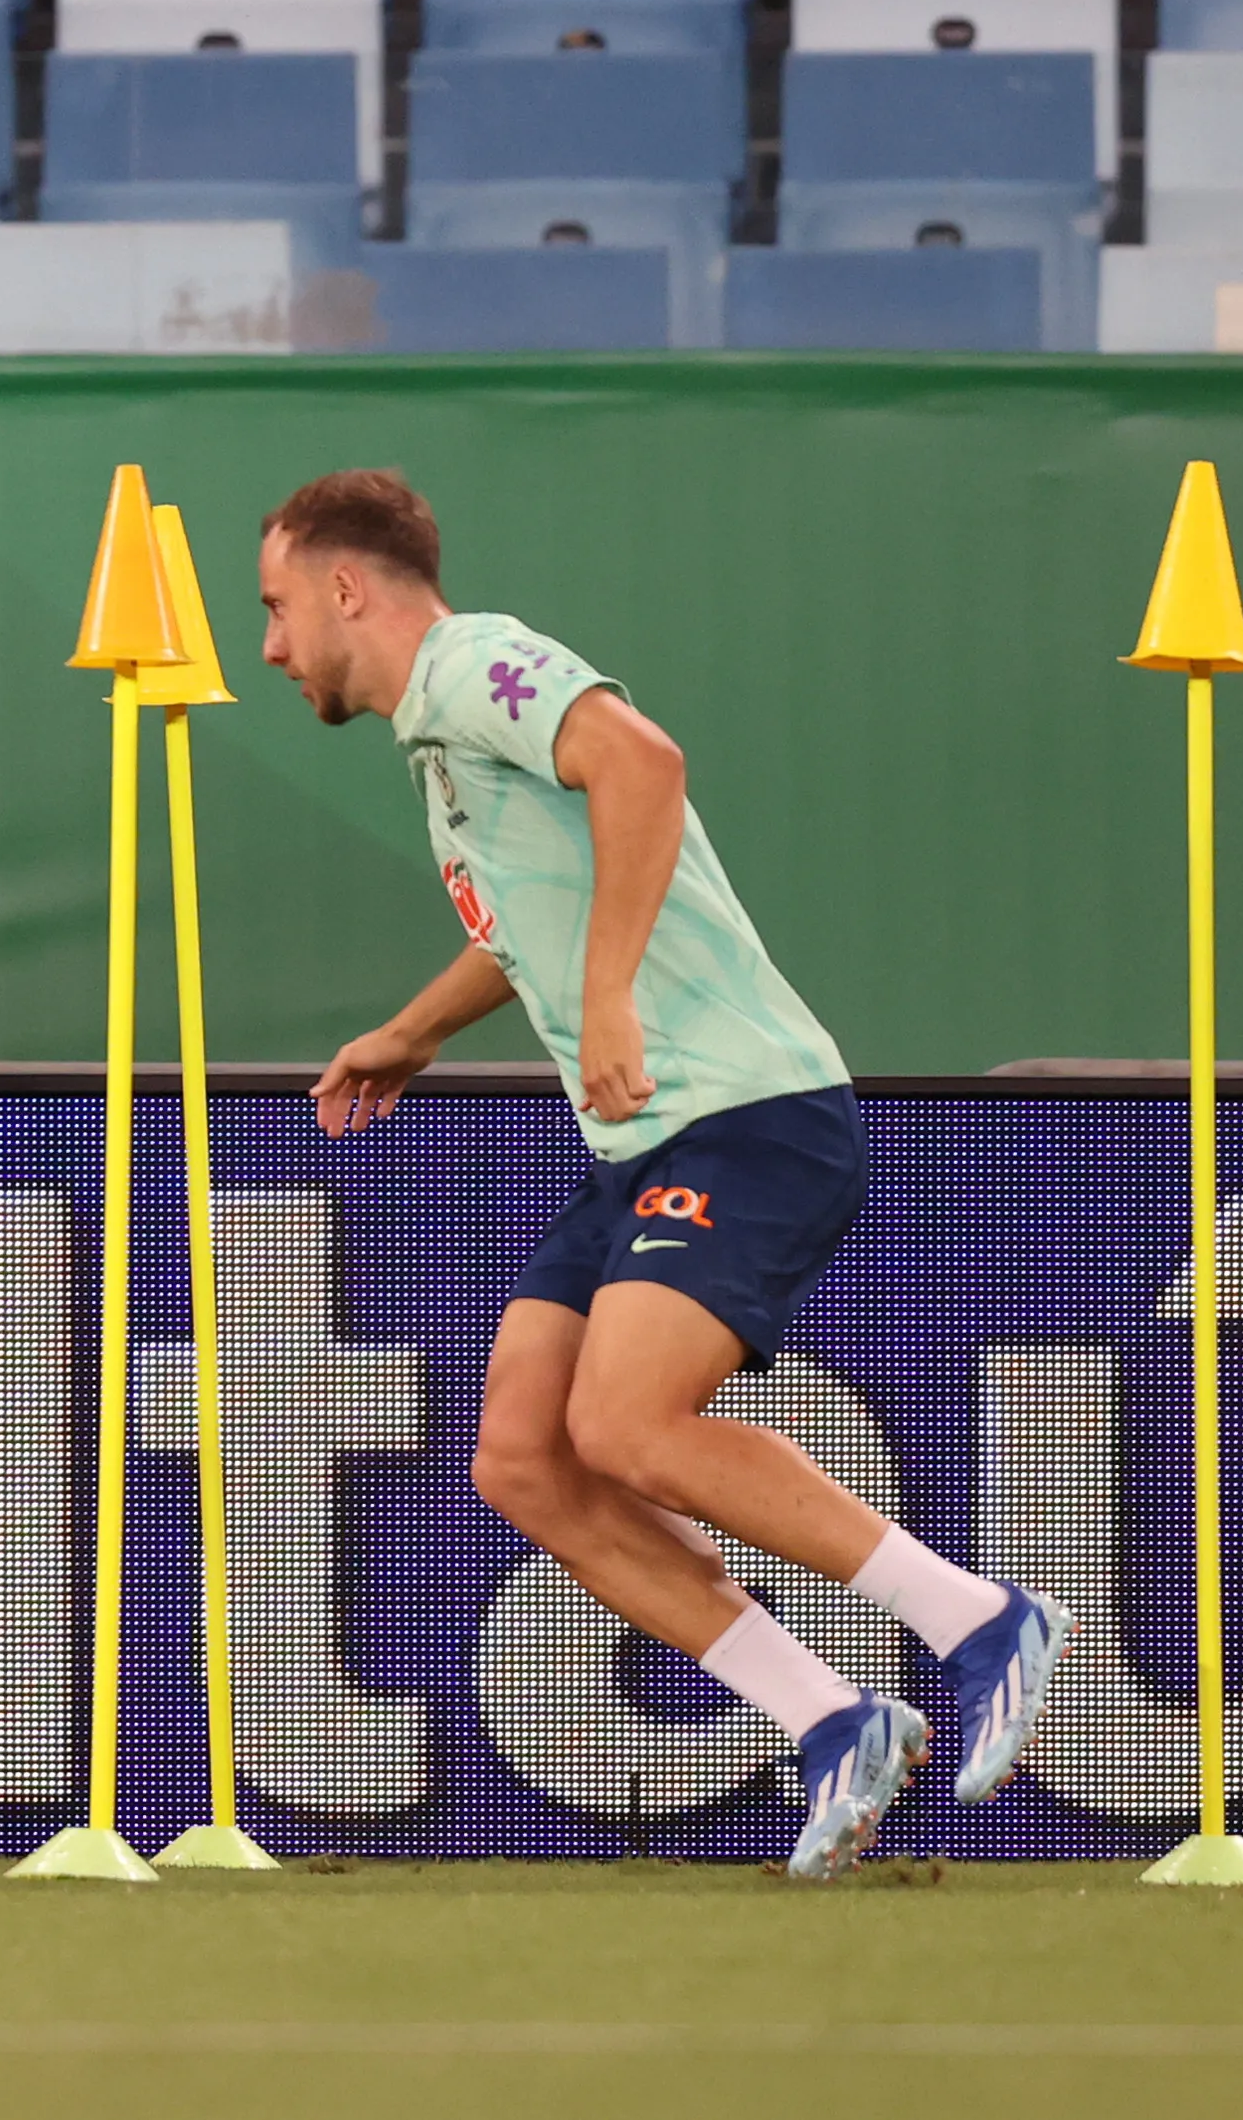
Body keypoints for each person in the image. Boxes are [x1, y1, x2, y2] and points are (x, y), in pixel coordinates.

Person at [257, 468, 1068, 1879]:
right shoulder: (438, 748)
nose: (269, 646)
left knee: (626, 1423)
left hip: (746, 1111)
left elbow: (643, 762)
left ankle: (978, 1620)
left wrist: (613, 995)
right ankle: (828, 1718)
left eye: (273, 607)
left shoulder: (464, 661)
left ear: (343, 590)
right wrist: (407, 1031)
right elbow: (531, 926)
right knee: (520, 1452)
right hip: (644, 1141)